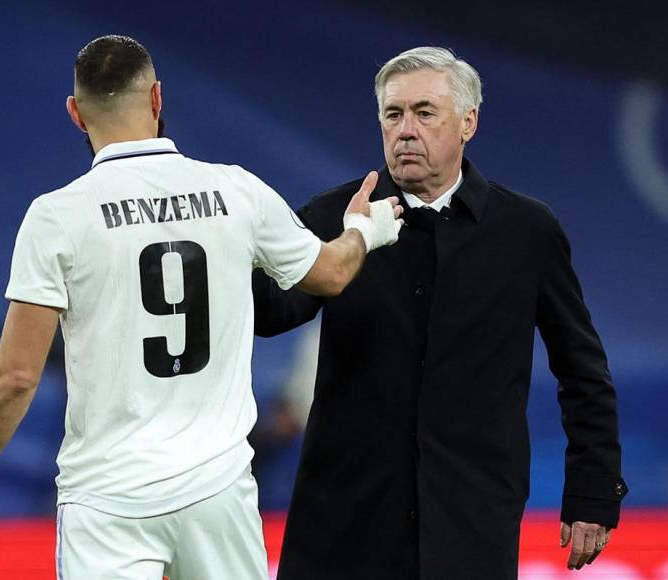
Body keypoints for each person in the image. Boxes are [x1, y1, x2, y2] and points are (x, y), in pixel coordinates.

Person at [0, 35, 403, 579]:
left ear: (75, 114)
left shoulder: (57, 217)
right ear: (158, 99)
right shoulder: (235, 190)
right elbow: (329, 273)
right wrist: (363, 233)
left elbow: (16, 376)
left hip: (109, 501)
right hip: (218, 490)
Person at [252, 46, 627, 579]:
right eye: (393, 114)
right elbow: (272, 314)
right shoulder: (337, 216)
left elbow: (582, 368)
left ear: (467, 122)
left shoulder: (525, 231)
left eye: (425, 113)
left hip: (469, 525)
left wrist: (594, 487)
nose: (406, 130)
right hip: (344, 527)